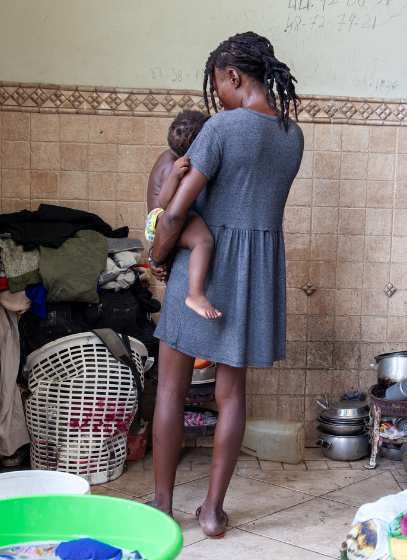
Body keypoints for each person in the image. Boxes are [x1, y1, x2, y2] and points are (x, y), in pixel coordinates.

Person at [147, 31, 304, 539]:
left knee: (169, 389)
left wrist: (156, 256)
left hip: (206, 267)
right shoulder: (292, 135)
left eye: (220, 85)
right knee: (232, 395)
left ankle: (163, 507)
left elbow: (174, 214)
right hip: (256, 275)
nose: (219, 96)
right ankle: (213, 512)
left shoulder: (221, 128)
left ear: (234, 76)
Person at [145, 110, 221, 319]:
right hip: (162, 219)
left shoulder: (169, 156)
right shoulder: (174, 165)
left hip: (160, 222)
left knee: (169, 275)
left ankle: (179, 305)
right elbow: (168, 205)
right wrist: (177, 175)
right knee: (203, 240)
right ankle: (195, 294)